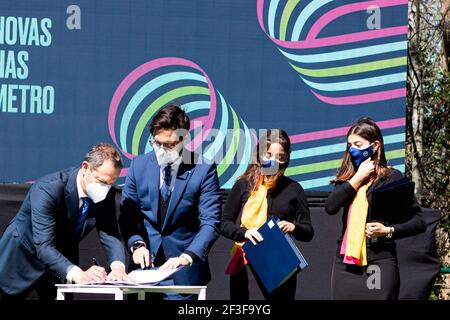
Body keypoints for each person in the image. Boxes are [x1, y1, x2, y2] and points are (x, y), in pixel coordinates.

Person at [0, 143, 128, 300]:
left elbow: (110, 231)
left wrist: (118, 267)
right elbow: (44, 245)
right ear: (86, 167)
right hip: (21, 261)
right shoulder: (48, 188)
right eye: (101, 182)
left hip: (61, 267)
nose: (106, 188)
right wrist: (79, 274)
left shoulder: (106, 193)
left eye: (111, 183)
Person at [119, 104, 221, 300]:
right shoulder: (138, 165)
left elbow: (210, 222)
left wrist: (188, 256)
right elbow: (128, 216)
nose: (162, 150)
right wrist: (137, 244)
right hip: (143, 271)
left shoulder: (203, 168)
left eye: (170, 144)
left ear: (184, 139)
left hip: (182, 274)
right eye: (157, 143)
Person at [325, 117, 426, 300]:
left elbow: (419, 222)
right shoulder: (348, 178)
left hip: (377, 264)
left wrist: (387, 231)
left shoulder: (392, 178)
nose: (353, 150)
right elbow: (331, 206)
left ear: (375, 145)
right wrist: (357, 178)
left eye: (358, 144)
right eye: (350, 145)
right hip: (346, 264)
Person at [221, 129, 314, 300]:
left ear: (286, 159)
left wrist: (293, 227)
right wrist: (244, 232)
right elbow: (224, 223)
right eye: (268, 154)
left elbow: (308, 231)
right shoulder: (243, 185)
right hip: (245, 264)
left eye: (280, 156)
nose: (273, 160)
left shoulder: (294, 189)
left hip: (278, 267)